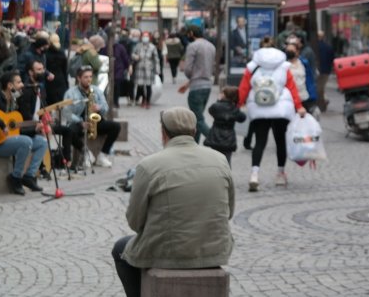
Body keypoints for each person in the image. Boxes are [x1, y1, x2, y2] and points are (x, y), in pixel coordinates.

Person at [111, 106, 234, 297]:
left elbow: (135, 222)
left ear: (163, 133)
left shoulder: (149, 165)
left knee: (120, 248)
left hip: (167, 254)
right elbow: (230, 211)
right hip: (214, 250)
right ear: (194, 131)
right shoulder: (220, 160)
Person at [238, 37, 306, 191]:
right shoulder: (284, 66)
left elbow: (243, 88)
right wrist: (299, 106)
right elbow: (292, 88)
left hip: (258, 108)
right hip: (281, 109)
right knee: (280, 141)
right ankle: (280, 174)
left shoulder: (252, 66)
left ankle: (254, 174)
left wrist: (239, 104)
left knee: (260, 142)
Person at [0, 71, 48, 195]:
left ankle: (29, 176)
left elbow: (16, 129)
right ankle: (15, 178)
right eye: (19, 82)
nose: (22, 85)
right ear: (10, 86)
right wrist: (1, 124)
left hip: (7, 140)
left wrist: (34, 129)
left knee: (42, 142)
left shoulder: (14, 102)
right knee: (25, 142)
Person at [63, 66, 120, 168]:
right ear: (79, 78)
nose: (89, 79)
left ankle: (102, 155)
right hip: (79, 123)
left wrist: (99, 107)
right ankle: (86, 153)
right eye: (85, 77)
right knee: (69, 131)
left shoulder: (97, 90)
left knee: (116, 126)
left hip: (94, 122)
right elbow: (66, 113)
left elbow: (105, 107)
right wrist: (80, 122)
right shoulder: (70, 93)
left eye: (90, 76)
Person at [180, 25, 215, 142]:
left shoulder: (192, 46)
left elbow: (188, 68)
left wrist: (190, 77)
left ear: (191, 33)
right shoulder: (211, 46)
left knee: (197, 119)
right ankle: (195, 144)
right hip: (207, 86)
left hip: (196, 87)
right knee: (198, 117)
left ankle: (215, 139)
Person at [204, 86, 246, 166]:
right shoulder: (234, 109)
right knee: (227, 160)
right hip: (229, 137)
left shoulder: (216, 106)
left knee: (214, 159)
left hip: (215, 136)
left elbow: (211, 110)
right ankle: (226, 176)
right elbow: (242, 118)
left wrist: (218, 101)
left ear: (224, 95)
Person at [285, 42, 317, 113]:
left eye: (292, 50)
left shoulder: (304, 64)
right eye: (288, 50)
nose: (289, 52)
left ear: (297, 52)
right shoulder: (284, 66)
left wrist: (313, 96)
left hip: (304, 97)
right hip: (289, 99)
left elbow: (310, 80)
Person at [131, 32, 160, 109]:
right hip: (139, 68)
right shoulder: (138, 46)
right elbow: (132, 54)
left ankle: (148, 101)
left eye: (146, 36)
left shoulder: (152, 47)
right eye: (144, 36)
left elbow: (156, 59)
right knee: (140, 86)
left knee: (148, 86)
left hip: (149, 68)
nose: (145, 38)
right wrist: (136, 57)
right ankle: (143, 98)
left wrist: (157, 69)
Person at [45, 33, 69, 104]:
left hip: (49, 80)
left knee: (51, 103)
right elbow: (65, 69)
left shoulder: (46, 53)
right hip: (61, 80)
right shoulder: (62, 52)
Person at [316, 31, 334, 112]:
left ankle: (322, 104)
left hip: (318, 70)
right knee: (321, 87)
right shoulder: (328, 47)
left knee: (319, 88)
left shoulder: (315, 46)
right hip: (326, 70)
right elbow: (332, 59)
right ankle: (323, 102)